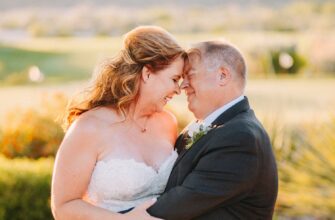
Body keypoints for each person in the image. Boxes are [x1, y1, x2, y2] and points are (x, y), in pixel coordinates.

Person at [51, 26, 186, 220]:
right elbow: (63, 207)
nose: (178, 90)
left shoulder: (168, 123)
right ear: (147, 74)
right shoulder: (89, 127)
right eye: (174, 79)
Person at [147, 41, 278, 219]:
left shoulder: (240, 138)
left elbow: (176, 207)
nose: (182, 85)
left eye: (190, 75)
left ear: (223, 76)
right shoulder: (209, 126)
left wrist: (106, 213)